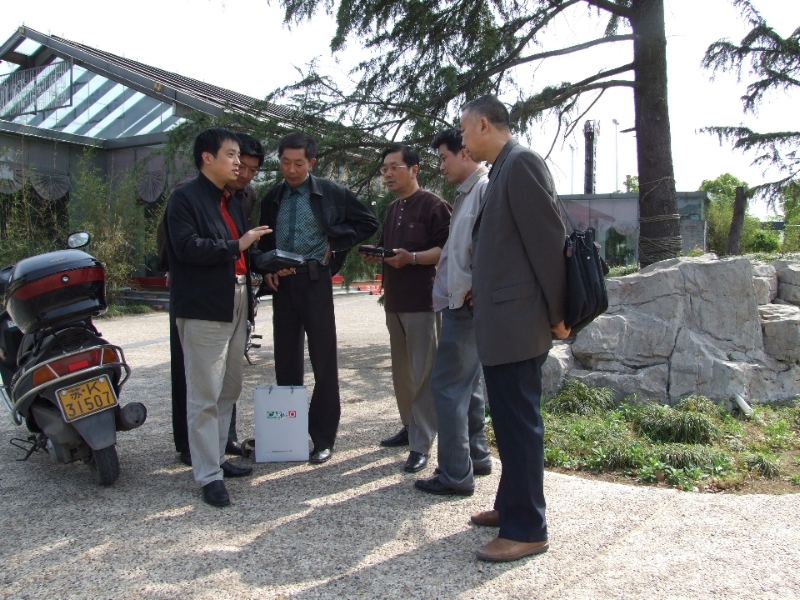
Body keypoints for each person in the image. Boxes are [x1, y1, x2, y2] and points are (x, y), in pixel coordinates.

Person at [460, 95, 570, 561]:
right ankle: (510, 506)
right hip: (504, 320)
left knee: (520, 426)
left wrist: (559, 314)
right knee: (508, 422)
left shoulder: (521, 163)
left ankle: (527, 529)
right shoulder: (503, 168)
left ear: (484, 125)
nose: (463, 141)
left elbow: (549, 242)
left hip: (519, 323)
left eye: (465, 131)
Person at [164, 127, 271, 507]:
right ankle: (207, 474)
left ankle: (219, 456)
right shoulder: (185, 198)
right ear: (207, 158)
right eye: (231, 155)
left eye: (239, 155)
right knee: (205, 392)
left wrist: (270, 263)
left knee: (229, 386)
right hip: (203, 305)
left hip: (237, 297)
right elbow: (186, 247)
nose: (238, 162)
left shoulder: (233, 200)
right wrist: (236, 244)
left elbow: (243, 253)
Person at [257, 132, 379, 464]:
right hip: (283, 285)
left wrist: (337, 244)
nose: (291, 169)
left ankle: (323, 437)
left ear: (311, 162)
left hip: (315, 281)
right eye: (285, 162)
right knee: (286, 360)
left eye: (299, 163)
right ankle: (289, 436)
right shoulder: (273, 197)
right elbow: (264, 240)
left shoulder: (332, 192)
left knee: (323, 360)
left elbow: (368, 221)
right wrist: (265, 268)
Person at [361, 145, 452, 473]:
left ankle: (422, 442)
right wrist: (378, 255)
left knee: (424, 372)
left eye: (394, 167)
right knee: (402, 371)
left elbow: (448, 250)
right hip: (395, 302)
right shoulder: (392, 209)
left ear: (414, 170)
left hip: (423, 303)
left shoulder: (434, 205)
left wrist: (412, 258)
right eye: (384, 169)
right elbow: (390, 251)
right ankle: (409, 424)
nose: (387, 174)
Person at [414, 129, 491, 497]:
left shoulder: (484, 189)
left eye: (444, 157)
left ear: (465, 153)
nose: (441, 166)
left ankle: (455, 474)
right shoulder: (468, 192)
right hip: (460, 300)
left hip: (467, 304)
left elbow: (494, 244)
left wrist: (479, 285)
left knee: (446, 387)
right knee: (468, 385)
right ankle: (476, 456)